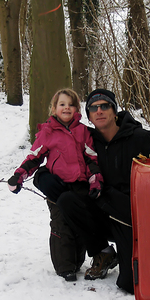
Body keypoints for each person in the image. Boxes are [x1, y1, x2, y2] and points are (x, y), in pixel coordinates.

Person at [56, 89, 150, 293]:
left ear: (114, 111)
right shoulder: (86, 141)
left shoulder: (139, 137)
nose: (99, 111)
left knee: (130, 285)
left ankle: (132, 254)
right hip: (101, 210)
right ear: (88, 115)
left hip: (129, 216)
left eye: (104, 106)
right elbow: (59, 154)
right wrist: (42, 175)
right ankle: (103, 252)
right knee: (67, 200)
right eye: (93, 108)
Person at [7, 88, 104, 282]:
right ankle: (64, 266)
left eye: (71, 104)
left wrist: (95, 182)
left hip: (80, 185)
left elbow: (91, 159)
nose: (66, 108)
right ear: (54, 108)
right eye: (62, 104)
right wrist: (18, 176)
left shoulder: (82, 131)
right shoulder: (48, 132)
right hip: (58, 186)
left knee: (78, 222)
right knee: (62, 224)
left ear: (77, 108)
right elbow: (34, 157)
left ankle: (77, 261)